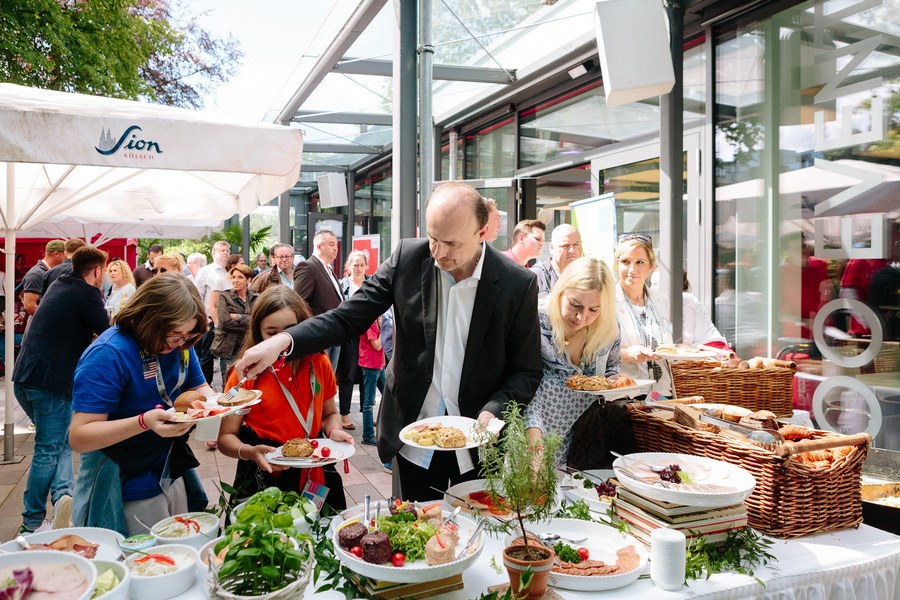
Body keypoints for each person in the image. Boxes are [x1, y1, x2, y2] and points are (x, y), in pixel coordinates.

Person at [233, 182, 542, 502]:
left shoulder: (517, 283)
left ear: (482, 232)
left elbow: (527, 371)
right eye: (433, 238)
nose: (439, 254)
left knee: (477, 527)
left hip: (479, 445)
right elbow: (346, 318)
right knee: (413, 525)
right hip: (413, 437)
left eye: (451, 243)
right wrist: (282, 341)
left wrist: (493, 410)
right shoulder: (409, 258)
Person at [69, 274, 215, 536]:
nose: (180, 343)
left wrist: (217, 405)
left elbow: (200, 388)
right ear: (149, 319)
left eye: (188, 335)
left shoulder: (181, 343)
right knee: (144, 554)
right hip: (124, 479)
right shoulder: (108, 353)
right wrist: (144, 422)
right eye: (174, 335)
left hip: (170, 468)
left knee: (180, 546)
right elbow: (80, 437)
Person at [217, 286, 352, 509]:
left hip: (315, 469)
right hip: (266, 475)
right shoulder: (245, 374)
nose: (281, 342)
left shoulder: (319, 363)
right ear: (258, 331)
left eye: (291, 331)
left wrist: (333, 431)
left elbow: (330, 414)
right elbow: (225, 438)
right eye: (272, 333)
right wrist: (250, 452)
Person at [13, 246, 111, 533]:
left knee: (61, 443)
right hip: (51, 383)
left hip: (25, 377)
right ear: (97, 271)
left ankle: (63, 498)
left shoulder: (59, 283)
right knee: (48, 448)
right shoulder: (86, 292)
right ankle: (31, 522)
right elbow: (108, 332)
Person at [524, 257, 621, 466]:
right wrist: (535, 447)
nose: (581, 317)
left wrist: (614, 381)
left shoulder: (608, 330)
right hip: (532, 437)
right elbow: (527, 388)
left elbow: (612, 367)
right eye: (575, 305)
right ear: (560, 291)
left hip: (582, 443)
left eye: (594, 310)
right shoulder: (536, 322)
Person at [614, 233, 674, 395]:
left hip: (662, 394)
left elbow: (667, 345)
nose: (632, 269)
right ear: (617, 264)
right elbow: (590, 354)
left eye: (639, 262)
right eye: (626, 262)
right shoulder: (605, 302)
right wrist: (625, 354)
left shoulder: (661, 301)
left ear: (651, 265)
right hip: (626, 395)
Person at [293, 230, 344, 370]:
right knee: (318, 377)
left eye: (336, 245)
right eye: (331, 244)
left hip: (335, 333)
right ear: (319, 246)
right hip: (319, 334)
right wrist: (313, 330)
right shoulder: (308, 267)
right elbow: (299, 303)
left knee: (329, 377)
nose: (336, 248)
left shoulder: (329, 269)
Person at [336, 250, 369, 431]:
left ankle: (367, 413)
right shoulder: (342, 285)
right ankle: (344, 415)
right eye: (355, 264)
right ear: (349, 266)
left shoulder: (372, 284)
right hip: (350, 336)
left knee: (368, 376)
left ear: (367, 266)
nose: (358, 268)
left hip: (370, 336)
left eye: (361, 264)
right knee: (347, 374)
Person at [211, 264, 257, 380]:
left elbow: (258, 321)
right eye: (233, 277)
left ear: (248, 280)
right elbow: (224, 322)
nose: (235, 280)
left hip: (249, 346)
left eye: (240, 277)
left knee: (248, 380)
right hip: (229, 348)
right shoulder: (224, 297)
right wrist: (249, 321)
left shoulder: (256, 298)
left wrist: (238, 317)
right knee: (229, 381)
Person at [194, 240, 230, 385]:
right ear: (213, 253)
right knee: (207, 355)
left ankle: (226, 385)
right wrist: (204, 317)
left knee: (226, 356)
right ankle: (204, 385)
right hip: (209, 320)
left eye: (227, 251)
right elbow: (197, 295)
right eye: (222, 250)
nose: (225, 253)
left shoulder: (231, 272)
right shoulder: (205, 271)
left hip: (228, 321)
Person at [531, 224, 583, 298]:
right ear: (551, 248)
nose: (572, 250)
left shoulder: (588, 275)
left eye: (576, 245)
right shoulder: (536, 277)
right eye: (565, 246)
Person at [682, 269, 728, 348]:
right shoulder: (685, 299)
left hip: (710, 348)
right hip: (709, 347)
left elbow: (687, 338)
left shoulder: (685, 298)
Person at [20, 240, 66, 316]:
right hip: (41, 320)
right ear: (56, 254)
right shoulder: (36, 274)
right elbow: (29, 305)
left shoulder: (49, 272)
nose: (66, 258)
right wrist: (48, 319)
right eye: (65, 254)